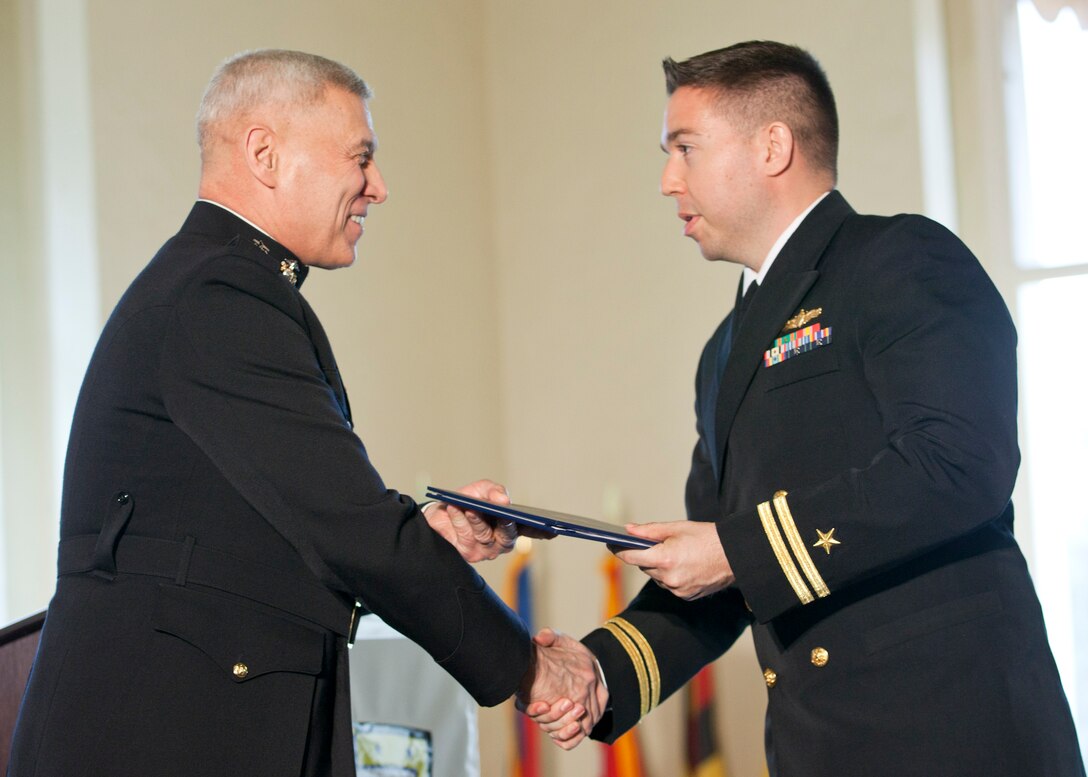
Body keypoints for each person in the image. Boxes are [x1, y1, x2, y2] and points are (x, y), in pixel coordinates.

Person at [8, 49, 599, 777]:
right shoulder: (222, 294)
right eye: (361, 157)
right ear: (264, 153)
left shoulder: (219, 286)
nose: (378, 187)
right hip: (164, 738)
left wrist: (423, 534)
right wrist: (530, 670)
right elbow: (348, 526)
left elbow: (250, 536)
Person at [528, 41, 1086, 776]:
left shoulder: (901, 259)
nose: (668, 181)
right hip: (820, 747)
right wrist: (602, 670)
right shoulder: (724, 350)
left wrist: (734, 550)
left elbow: (958, 465)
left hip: (952, 734)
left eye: (685, 148)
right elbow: (723, 573)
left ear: (772, 146)